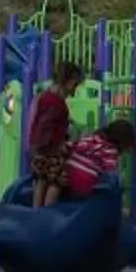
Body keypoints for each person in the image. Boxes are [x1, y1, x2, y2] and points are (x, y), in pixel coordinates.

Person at [27, 62, 85, 206]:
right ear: (68, 81)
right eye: (75, 85)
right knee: (57, 181)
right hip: (51, 150)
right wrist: (61, 145)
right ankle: (48, 211)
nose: (74, 90)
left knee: (41, 180)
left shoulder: (43, 97)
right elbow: (48, 126)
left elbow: (39, 122)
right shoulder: (58, 103)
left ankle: (36, 212)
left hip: (38, 149)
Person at [54, 119, 136, 202]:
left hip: (67, 175)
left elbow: (73, 146)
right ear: (122, 143)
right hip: (83, 184)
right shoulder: (110, 151)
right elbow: (110, 173)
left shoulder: (91, 139)